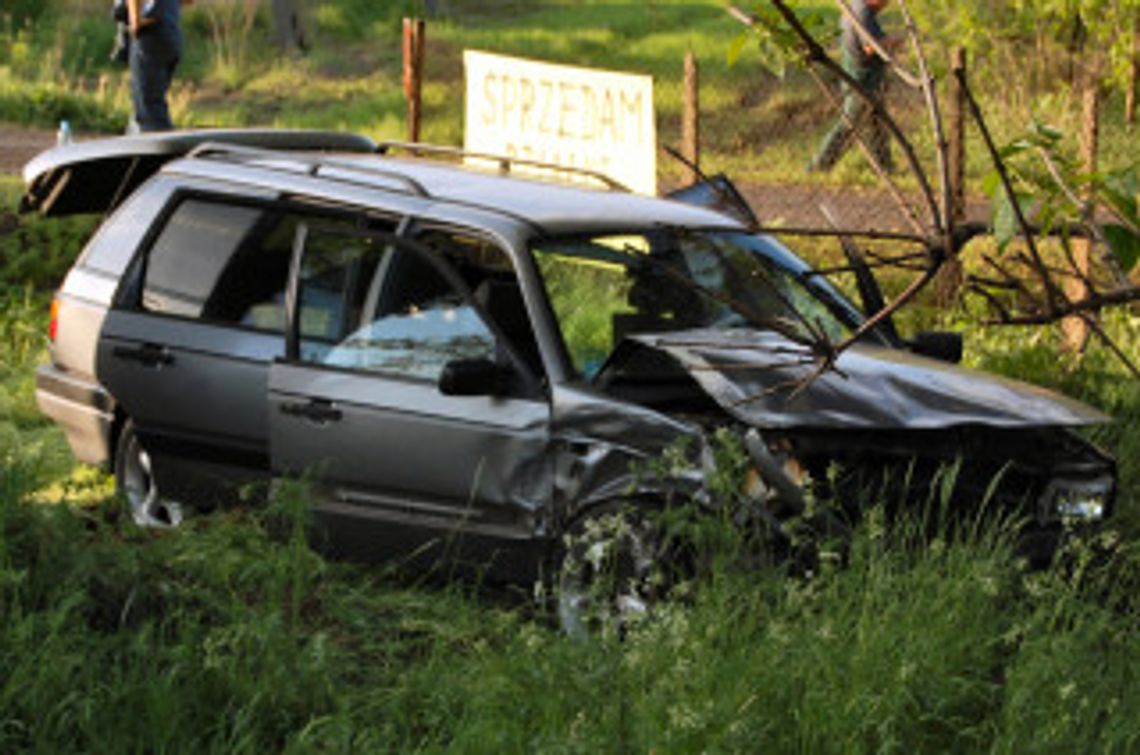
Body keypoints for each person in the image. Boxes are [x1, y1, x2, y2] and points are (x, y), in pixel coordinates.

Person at [808, 0, 898, 173]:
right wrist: (894, 40)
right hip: (863, 76)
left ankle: (885, 167)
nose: (887, 4)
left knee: (876, 123)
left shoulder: (855, 8)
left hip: (860, 72)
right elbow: (870, 47)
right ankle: (818, 166)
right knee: (849, 122)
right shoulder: (863, 13)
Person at [126, 0, 189, 132]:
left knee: (150, 112)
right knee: (152, 103)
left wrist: (135, 19)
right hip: (171, 30)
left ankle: (161, 149)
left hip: (150, 32)